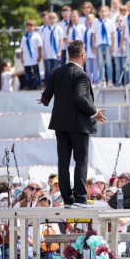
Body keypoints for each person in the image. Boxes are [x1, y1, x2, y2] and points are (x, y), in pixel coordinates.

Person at [39, 41, 107, 206]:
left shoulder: (57, 72)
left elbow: (46, 96)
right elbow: (80, 98)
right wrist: (94, 112)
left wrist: (44, 99)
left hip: (60, 125)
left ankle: (67, 199)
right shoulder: (81, 75)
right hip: (79, 125)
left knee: (63, 162)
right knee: (80, 161)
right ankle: (80, 197)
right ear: (83, 56)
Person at [20, 20, 43, 90]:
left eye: (31, 26)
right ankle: (28, 86)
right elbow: (22, 48)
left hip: (34, 57)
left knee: (36, 73)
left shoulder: (36, 36)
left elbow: (40, 46)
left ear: (34, 27)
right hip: (26, 58)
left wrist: (39, 55)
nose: (29, 28)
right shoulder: (24, 37)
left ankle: (38, 85)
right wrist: (21, 57)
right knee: (27, 73)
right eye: (28, 26)